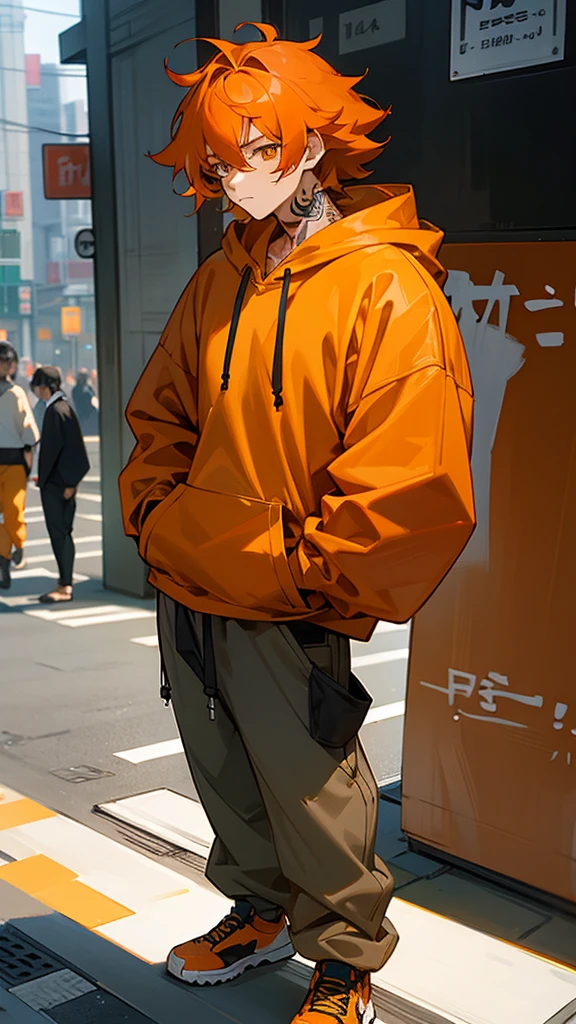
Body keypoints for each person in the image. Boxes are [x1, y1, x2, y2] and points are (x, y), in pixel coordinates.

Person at [119, 24, 475, 1024]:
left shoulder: (387, 286)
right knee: (222, 766)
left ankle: (345, 957)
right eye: (218, 163)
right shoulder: (219, 282)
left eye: (257, 151)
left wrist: (306, 570)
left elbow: (414, 474)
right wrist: (154, 524)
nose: (235, 181)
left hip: (287, 594)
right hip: (192, 582)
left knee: (312, 783)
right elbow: (161, 418)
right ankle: (260, 909)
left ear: (313, 145)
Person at [31, 366, 89, 603]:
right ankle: (64, 581)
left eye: (38, 386)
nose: (36, 390)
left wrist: (68, 482)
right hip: (60, 482)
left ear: (46, 386)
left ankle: (65, 585)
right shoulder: (62, 408)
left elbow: (68, 451)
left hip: (57, 484)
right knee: (62, 533)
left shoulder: (56, 411)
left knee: (60, 534)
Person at [0, 342, 40, 587]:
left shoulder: (16, 393)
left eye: (6, 361)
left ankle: (19, 545)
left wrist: (27, 457)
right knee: (4, 516)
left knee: (13, 511)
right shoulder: (15, 394)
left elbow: (28, 432)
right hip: (13, 460)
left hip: (14, 460)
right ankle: (4, 564)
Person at [72, 369, 99, 436]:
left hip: (88, 415)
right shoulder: (79, 390)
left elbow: (93, 398)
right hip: (84, 414)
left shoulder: (87, 388)